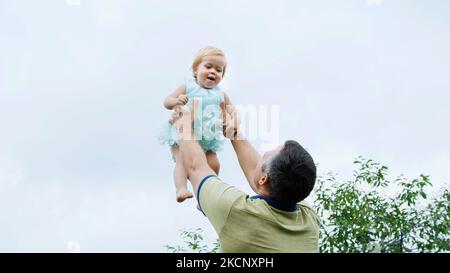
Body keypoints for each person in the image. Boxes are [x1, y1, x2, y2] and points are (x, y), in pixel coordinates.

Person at [171, 102, 320, 252]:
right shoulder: (309, 221)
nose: (259, 159)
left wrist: (184, 124)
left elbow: (195, 167)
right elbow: (265, 180)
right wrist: (234, 134)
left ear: (264, 178)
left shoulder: (235, 210)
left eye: (264, 155)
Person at [159, 46, 236, 202]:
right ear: (196, 70)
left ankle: (210, 192)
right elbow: (167, 101)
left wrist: (232, 120)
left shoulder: (220, 94)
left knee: (214, 163)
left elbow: (232, 110)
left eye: (218, 70)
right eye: (208, 67)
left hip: (208, 137)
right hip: (183, 133)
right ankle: (181, 189)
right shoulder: (188, 87)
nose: (213, 71)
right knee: (181, 160)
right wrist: (176, 101)